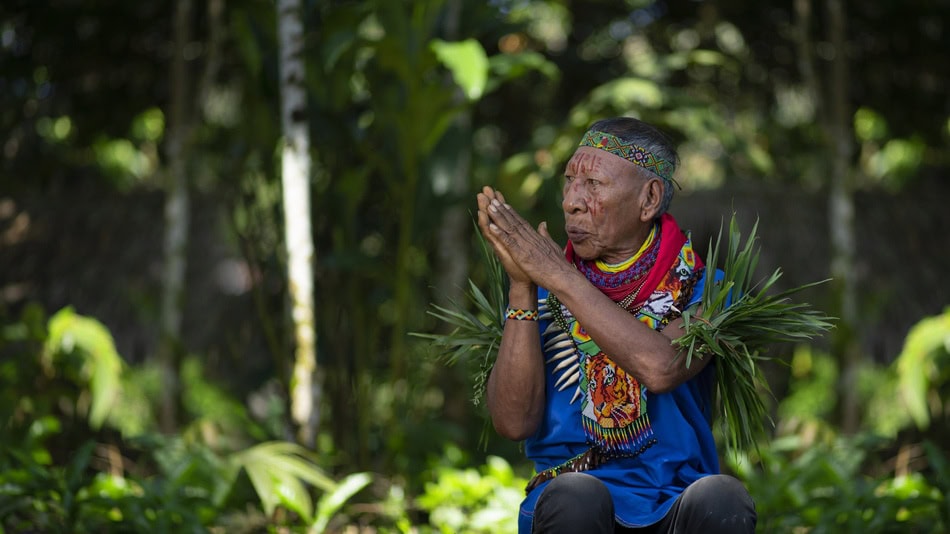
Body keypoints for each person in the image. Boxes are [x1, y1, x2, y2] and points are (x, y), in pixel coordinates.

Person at [475, 117, 757, 533]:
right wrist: (522, 286)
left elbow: (662, 367)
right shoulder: (540, 292)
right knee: (577, 496)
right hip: (573, 502)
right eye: (569, 181)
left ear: (649, 198)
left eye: (593, 184)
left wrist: (557, 276)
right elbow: (513, 424)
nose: (571, 200)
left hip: (672, 501)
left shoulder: (706, 290)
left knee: (723, 496)